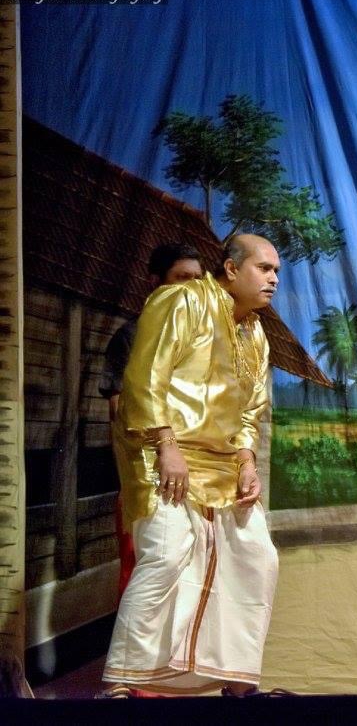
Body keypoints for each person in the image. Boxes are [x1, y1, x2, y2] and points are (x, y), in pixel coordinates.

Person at [102, 234, 281, 696]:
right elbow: (145, 377)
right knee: (166, 555)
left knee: (256, 558)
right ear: (231, 269)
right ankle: (119, 684)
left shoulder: (255, 333)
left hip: (223, 465)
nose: (273, 279)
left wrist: (247, 461)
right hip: (162, 451)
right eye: (264, 268)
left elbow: (250, 410)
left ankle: (237, 682)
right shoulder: (180, 300)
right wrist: (166, 445)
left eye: (276, 271)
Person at [100, 243, 203, 599]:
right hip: (149, 473)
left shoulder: (201, 339)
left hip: (196, 475)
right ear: (156, 281)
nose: (192, 288)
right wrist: (164, 450)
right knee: (144, 569)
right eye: (182, 278)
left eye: (198, 279)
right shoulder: (134, 335)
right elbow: (121, 410)